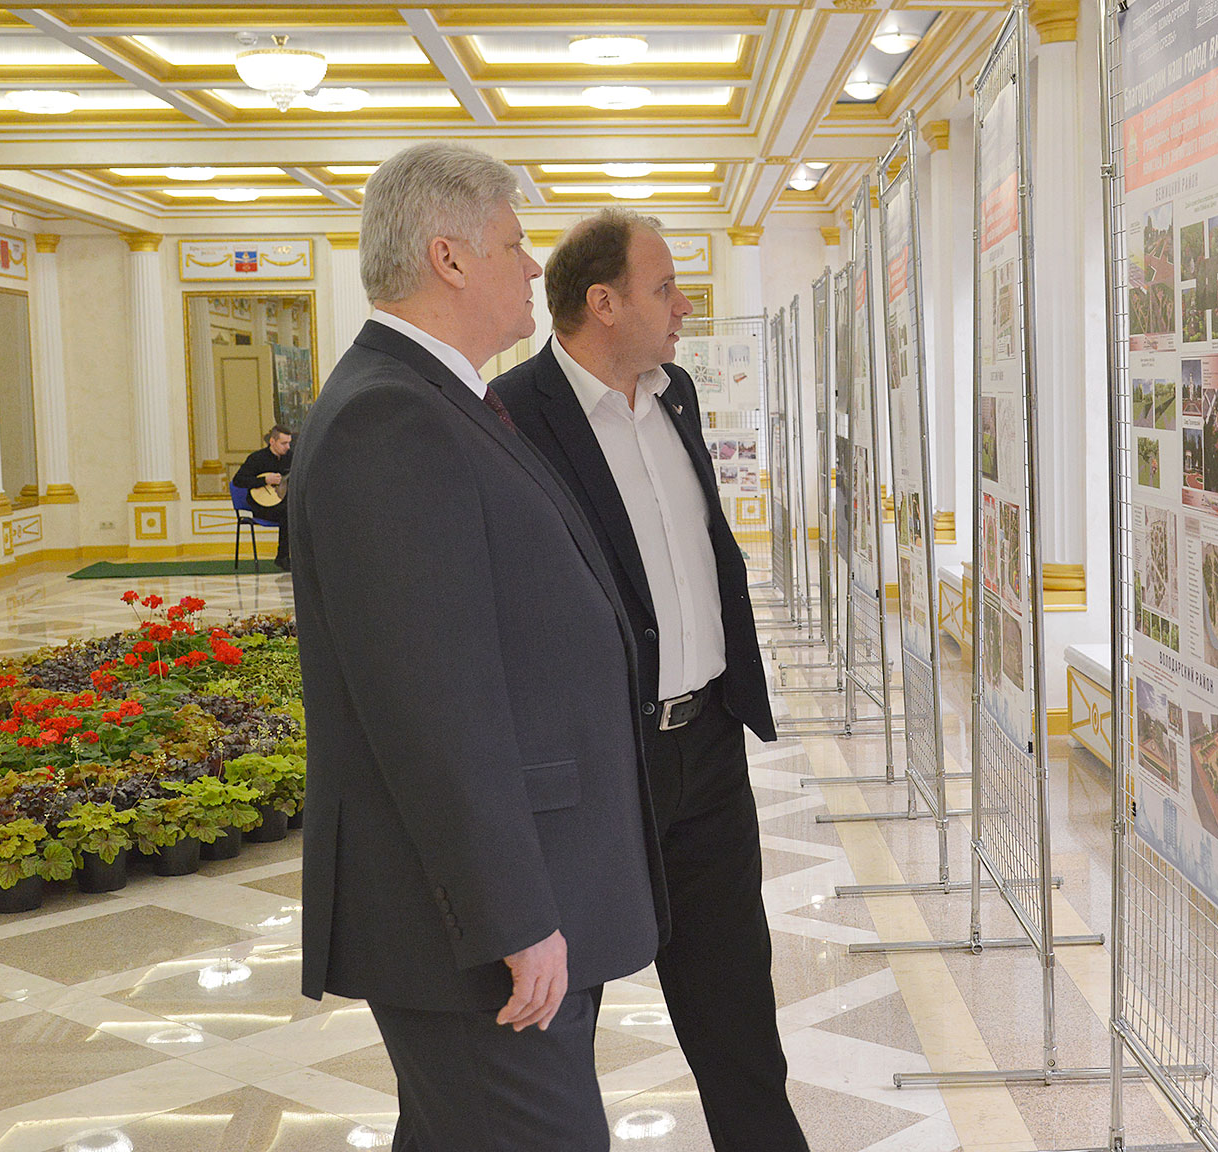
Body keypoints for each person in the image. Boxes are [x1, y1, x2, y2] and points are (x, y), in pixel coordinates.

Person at [290, 144, 666, 1152]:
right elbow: (432, 705)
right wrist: (512, 916)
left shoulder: (433, 399)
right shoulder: (390, 418)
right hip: (469, 928)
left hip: (501, 900)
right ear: (449, 258)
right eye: (514, 243)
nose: (533, 265)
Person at [491, 209, 807, 1152]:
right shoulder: (512, 415)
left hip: (706, 748)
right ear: (603, 303)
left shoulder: (677, 396)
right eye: (664, 288)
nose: (683, 307)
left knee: (736, 1004)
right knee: (557, 1015)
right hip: (599, 763)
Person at [231, 425, 292, 570]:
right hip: (260, 506)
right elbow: (238, 480)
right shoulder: (257, 458)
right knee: (288, 513)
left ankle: (301, 558)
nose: (288, 447)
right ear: (272, 441)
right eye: (284, 443)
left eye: (289, 443)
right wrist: (264, 480)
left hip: (281, 502)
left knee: (297, 512)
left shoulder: (290, 458)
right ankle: (282, 557)